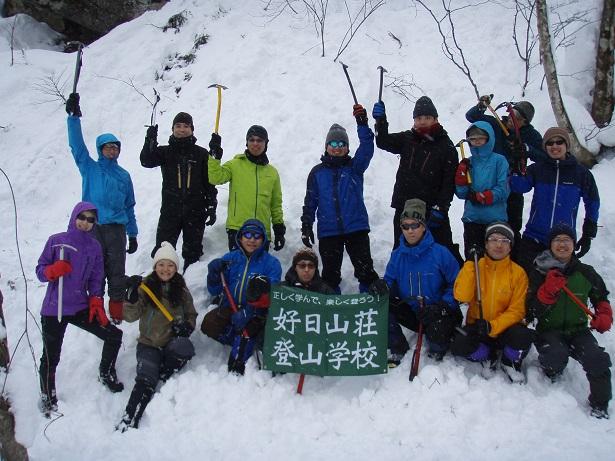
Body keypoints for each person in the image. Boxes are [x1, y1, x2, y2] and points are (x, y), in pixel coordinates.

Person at [36, 202, 124, 415]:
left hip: (79, 306)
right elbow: (40, 270)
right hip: (54, 308)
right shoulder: (57, 242)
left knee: (113, 335)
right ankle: (48, 395)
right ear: (75, 216)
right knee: (51, 356)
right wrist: (52, 271)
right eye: (82, 217)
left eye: (90, 219)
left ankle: (105, 372)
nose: (85, 222)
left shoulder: (94, 246)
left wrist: (95, 299)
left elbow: (96, 276)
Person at [65, 93, 138, 324]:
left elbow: (130, 206)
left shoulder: (124, 175)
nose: (111, 151)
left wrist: (132, 233)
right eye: (107, 148)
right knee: (94, 270)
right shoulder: (90, 168)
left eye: (115, 148)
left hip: (116, 229)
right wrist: (73, 118)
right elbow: (76, 147)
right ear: (100, 149)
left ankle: (116, 312)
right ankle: (94, 310)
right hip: (92, 227)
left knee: (116, 271)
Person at [526, 224, 612, 419]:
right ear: (550, 245)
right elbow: (531, 309)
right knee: (555, 355)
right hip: (549, 330)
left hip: (579, 331)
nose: (562, 244)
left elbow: (601, 297)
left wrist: (604, 314)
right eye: (557, 240)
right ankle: (551, 372)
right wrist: (547, 292)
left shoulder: (585, 272)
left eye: (567, 240)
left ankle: (600, 405)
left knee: (596, 359)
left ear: (573, 244)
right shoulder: (539, 271)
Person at [372, 96, 463, 265]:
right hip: (404, 207)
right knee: (401, 249)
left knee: (444, 251)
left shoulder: (446, 146)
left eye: (427, 118)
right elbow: (382, 141)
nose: (422, 122)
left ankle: (456, 285)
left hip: (432, 209)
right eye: (418, 118)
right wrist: (381, 120)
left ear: (435, 119)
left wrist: (441, 207)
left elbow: (449, 182)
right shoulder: (408, 138)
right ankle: (396, 286)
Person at [116, 242, 197, 431]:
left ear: (176, 268)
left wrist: (186, 327)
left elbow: (191, 314)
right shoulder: (146, 288)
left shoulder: (182, 290)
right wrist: (131, 297)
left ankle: (164, 371)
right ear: (155, 266)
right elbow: (130, 316)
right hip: (149, 343)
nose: (165, 269)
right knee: (145, 379)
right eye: (161, 264)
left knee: (184, 348)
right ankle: (130, 417)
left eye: (170, 265)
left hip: (171, 343)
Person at [300, 105, 380, 293]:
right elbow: (310, 202)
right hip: (329, 231)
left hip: (356, 228)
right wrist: (306, 224)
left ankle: (370, 306)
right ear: (327, 147)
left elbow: (368, 146)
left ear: (347, 148)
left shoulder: (355, 167)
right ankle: (332, 308)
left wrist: (362, 124)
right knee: (330, 275)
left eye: (342, 144)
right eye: (333, 144)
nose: (337, 148)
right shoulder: (317, 173)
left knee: (365, 270)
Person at [451, 222, 534, 383]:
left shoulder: (518, 273)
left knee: (523, 335)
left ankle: (509, 361)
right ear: (486, 244)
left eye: (504, 241)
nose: (499, 245)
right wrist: (469, 264)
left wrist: (493, 326)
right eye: (494, 239)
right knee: (459, 345)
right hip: (478, 328)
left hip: (504, 330)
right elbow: (461, 295)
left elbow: (517, 310)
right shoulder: (476, 266)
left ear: (511, 246)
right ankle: (487, 355)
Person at [383, 199, 462, 366]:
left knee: (437, 337)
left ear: (424, 226)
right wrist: (381, 287)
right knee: (382, 307)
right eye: (406, 226)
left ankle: (439, 346)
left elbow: (458, 285)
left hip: (439, 312)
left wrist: (441, 307)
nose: (410, 231)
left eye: (415, 225)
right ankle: (398, 348)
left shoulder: (440, 253)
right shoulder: (397, 255)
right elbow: (389, 282)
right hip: (415, 312)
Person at [511, 127, 600, 273]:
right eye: (550, 143)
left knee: (558, 289)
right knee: (527, 286)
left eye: (559, 142)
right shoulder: (538, 169)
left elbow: (593, 202)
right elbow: (519, 187)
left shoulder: (581, 173)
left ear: (567, 145)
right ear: (545, 147)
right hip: (534, 237)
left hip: (563, 240)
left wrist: (588, 232)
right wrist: (516, 165)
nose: (555, 146)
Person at [201, 219, 282, 375]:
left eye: (257, 236)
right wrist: (213, 275)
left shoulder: (271, 263)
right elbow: (215, 290)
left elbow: (272, 294)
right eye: (248, 235)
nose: (252, 240)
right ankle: (238, 336)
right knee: (209, 324)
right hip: (230, 307)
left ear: (263, 239)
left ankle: (246, 343)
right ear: (240, 237)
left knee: (248, 331)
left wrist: (249, 311)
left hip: (256, 312)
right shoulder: (230, 258)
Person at [140, 112, 218, 273]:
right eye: (178, 126)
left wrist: (211, 205)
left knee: (193, 253)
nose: (182, 129)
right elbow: (146, 161)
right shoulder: (165, 152)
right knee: (163, 251)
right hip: (170, 210)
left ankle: (189, 286)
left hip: (195, 211)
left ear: (192, 129)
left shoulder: (201, 154)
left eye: (186, 126)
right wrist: (150, 140)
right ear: (173, 129)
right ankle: (161, 288)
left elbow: (209, 181)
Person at [465, 97, 545, 253]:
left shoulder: (530, 135)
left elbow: (543, 156)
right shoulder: (497, 124)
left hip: (513, 183)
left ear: (526, 122)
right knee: (487, 222)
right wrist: (481, 106)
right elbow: (472, 116)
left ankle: (511, 261)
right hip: (491, 180)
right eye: (512, 114)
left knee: (512, 226)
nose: (512, 120)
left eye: (519, 119)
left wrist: (526, 149)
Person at [207, 125, 285, 252]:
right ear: (247, 142)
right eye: (251, 140)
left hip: (261, 233)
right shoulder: (235, 165)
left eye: (259, 140)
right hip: (238, 229)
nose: (255, 143)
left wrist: (279, 228)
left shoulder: (272, 173)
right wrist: (214, 156)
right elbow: (215, 178)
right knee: (238, 271)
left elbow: (276, 204)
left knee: (258, 272)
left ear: (266, 144)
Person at [454, 122, 509, 259]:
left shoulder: (499, 161)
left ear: (489, 138)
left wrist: (483, 196)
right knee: (473, 262)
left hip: (495, 221)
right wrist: (461, 179)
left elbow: (503, 190)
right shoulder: (469, 163)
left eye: (481, 138)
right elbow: (461, 194)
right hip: (472, 219)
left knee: (495, 262)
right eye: (473, 139)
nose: (477, 142)